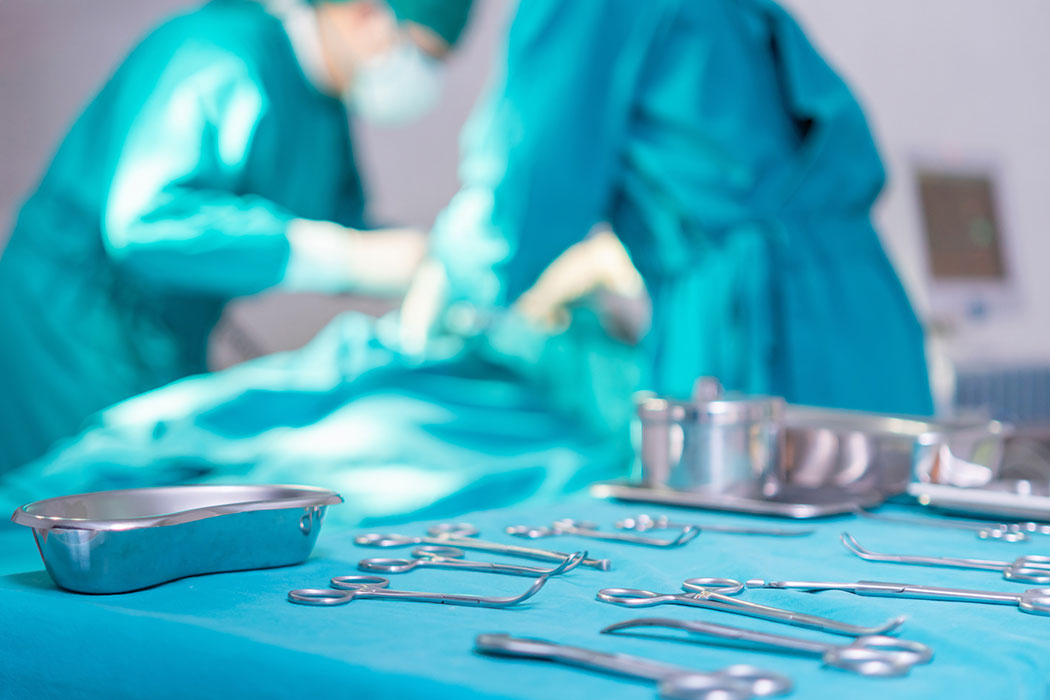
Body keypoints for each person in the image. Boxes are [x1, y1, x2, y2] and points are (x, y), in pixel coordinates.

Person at [0, 0, 473, 474]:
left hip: (167, 335)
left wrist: (445, 263)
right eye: (422, 54)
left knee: (157, 501)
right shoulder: (223, 56)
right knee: (68, 507)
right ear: (362, 13)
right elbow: (149, 223)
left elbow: (338, 222)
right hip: (69, 327)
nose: (425, 77)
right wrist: (352, 256)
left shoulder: (320, 101)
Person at [402, 0, 934, 416]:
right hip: (868, 322)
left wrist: (446, 270)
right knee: (895, 548)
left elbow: (521, 213)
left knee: (743, 544)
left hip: (762, 334)